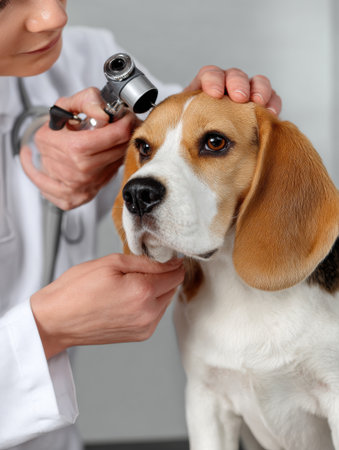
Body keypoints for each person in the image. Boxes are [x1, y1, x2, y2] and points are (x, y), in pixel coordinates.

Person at [0, 1, 282, 449]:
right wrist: (44, 330)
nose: (52, 15)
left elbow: (195, 148)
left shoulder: (80, 56)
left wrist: (203, 114)